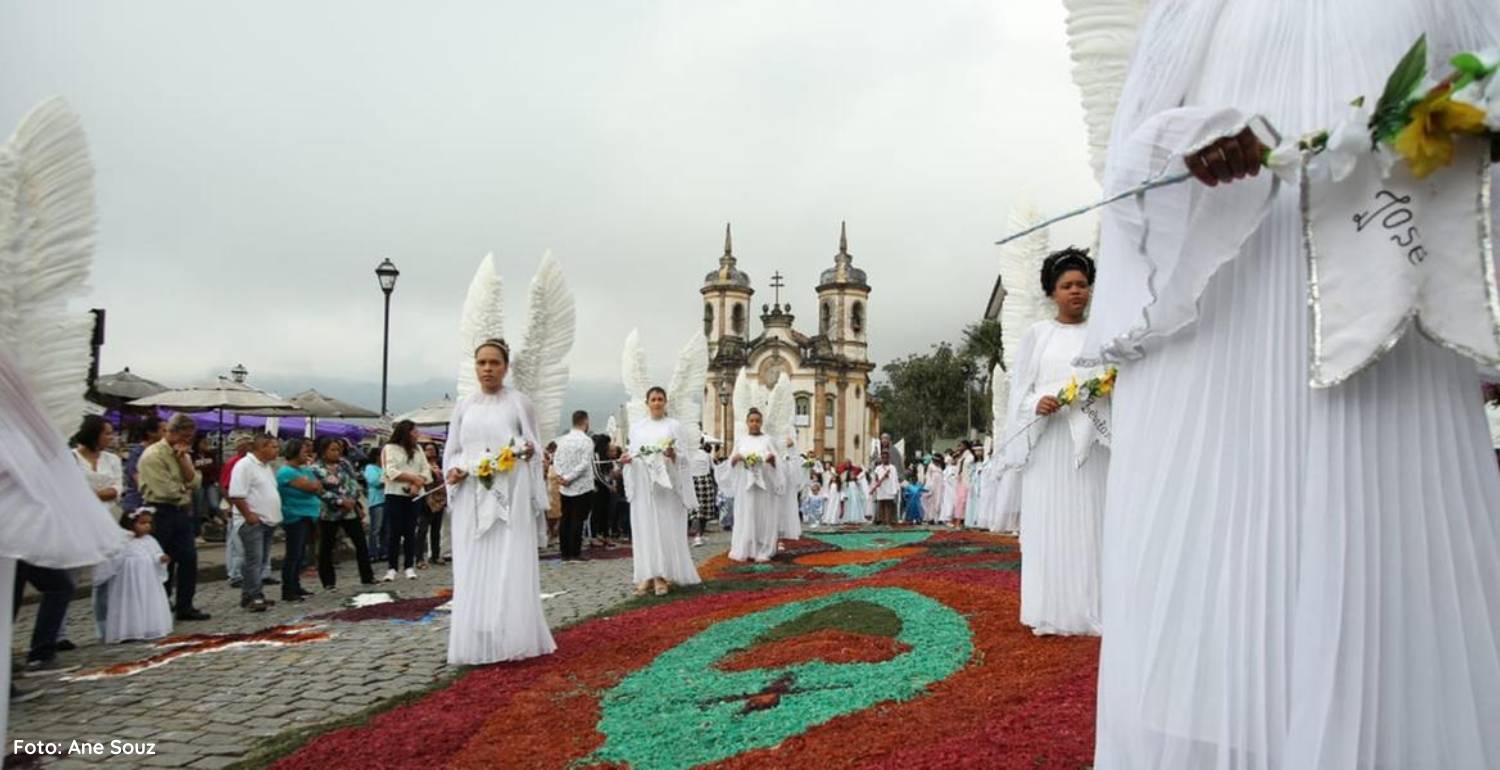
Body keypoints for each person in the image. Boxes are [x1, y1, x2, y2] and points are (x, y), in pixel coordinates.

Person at [1090, 5, 1500, 767]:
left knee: (1386, 550)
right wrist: (1193, 145)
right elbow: (1128, 171)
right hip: (1233, 314)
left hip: (1392, 315)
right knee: (1237, 561)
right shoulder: (1193, 9)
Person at [1001, 249, 1109, 637]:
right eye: (1067, 286)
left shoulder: (1103, 334)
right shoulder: (1038, 336)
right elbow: (1020, 393)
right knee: (1051, 523)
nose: (1076, 292)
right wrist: (1037, 404)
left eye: (1082, 284)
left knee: (1092, 521)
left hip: (1092, 444)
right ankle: (1050, 610)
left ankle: (1094, 606)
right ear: (1052, 292)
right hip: (1048, 445)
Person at [442, 338, 555, 664]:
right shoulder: (463, 406)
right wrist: (453, 472)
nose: (488, 369)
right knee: (472, 561)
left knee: (508, 559)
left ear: (505, 367)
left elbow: (535, 445)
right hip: (471, 499)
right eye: (482, 363)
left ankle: (512, 631)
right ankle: (478, 631)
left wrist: (529, 452)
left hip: (510, 495)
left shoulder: (519, 403)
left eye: (494, 363)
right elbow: (454, 451)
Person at [621, 387, 703, 594]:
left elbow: (684, 459)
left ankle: (662, 575)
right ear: (647, 403)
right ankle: (646, 574)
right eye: (653, 399)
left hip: (666, 488)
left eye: (660, 399)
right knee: (645, 528)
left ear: (665, 402)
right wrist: (628, 461)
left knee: (664, 528)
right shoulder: (637, 428)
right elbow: (633, 453)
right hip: (644, 486)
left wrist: (672, 455)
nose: (657, 403)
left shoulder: (674, 426)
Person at [137, 413, 208, 621]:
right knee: (163, 560)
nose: (188, 441)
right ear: (172, 432)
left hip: (181, 512)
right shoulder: (153, 455)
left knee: (188, 559)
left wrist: (184, 462)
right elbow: (164, 489)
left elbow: (195, 482)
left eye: (191, 437)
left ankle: (185, 605)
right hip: (160, 511)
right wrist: (184, 490)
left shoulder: (183, 454)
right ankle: (160, 603)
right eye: (185, 436)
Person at [91, 508, 172, 643]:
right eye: (142, 523)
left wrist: (160, 558)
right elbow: (111, 558)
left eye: (149, 523)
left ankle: (148, 626)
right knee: (129, 603)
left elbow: (155, 553)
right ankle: (129, 629)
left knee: (146, 600)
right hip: (127, 580)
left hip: (147, 579)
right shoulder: (121, 540)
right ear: (130, 524)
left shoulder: (149, 540)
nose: (147, 526)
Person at [720, 408, 785, 563]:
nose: (754, 424)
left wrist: (772, 460)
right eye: (751, 421)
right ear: (747, 423)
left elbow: (778, 462)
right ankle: (746, 547)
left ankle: (764, 547)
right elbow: (731, 462)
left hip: (764, 486)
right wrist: (735, 460)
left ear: (761, 423)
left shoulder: (768, 440)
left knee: (763, 514)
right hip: (746, 486)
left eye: (757, 421)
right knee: (746, 513)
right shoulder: (740, 440)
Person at [226, 433, 281, 612]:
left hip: (267, 521)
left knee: (261, 561)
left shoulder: (265, 467)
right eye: (274, 446)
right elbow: (236, 494)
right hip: (252, 522)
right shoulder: (245, 465)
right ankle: (252, 596)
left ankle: (254, 593)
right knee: (254, 560)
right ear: (262, 447)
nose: (277, 450)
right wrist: (249, 515)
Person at [313, 437, 375, 588]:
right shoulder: (315, 469)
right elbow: (320, 491)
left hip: (349, 511)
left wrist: (353, 500)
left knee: (360, 543)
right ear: (323, 452)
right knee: (327, 547)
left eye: (338, 450)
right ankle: (328, 581)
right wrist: (340, 501)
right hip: (329, 512)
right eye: (332, 450)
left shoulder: (344, 464)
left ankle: (367, 576)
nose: (336, 453)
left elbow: (353, 482)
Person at [381, 421, 431, 582]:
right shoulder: (389, 448)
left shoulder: (418, 449)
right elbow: (391, 471)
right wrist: (413, 478)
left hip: (414, 494)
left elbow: (426, 470)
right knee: (394, 531)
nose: (418, 434)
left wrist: (418, 483)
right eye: (415, 431)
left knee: (411, 531)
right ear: (407, 432)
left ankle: (409, 566)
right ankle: (392, 567)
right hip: (395, 493)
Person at [275, 438, 324, 601]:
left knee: (301, 553)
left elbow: (319, 487)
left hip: (309, 514)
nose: (307, 454)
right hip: (295, 515)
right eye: (303, 451)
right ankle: (288, 588)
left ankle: (296, 585)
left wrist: (315, 485)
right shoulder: (286, 472)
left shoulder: (304, 470)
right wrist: (314, 486)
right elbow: (311, 487)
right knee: (294, 553)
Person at [553, 411, 596, 561]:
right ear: (586, 422)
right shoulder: (587, 441)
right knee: (578, 519)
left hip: (565, 486)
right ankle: (575, 552)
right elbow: (584, 463)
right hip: (581, 485)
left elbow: (556, 459)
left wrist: (561, 476)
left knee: (566, 518)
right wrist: (570, 477)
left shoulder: (562, 440)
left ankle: (565, 552)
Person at [120, 416, 163, 513]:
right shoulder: (137, 453)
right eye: (163, 430)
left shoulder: (162, 452)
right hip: (137, 505)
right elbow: (139, 481)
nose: (167, 434)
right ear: (151, 433)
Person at [416, 442, 447, 567]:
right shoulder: (421, 465)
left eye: (433, 449)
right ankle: (419, 557)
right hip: (426, 500)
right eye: (427, 449)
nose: (431, 451)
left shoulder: (440, 463)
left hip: (439, 499)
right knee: (422, 530)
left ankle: (435, 555)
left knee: (436, 529)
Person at [589, 434, 616, 549]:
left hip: (607, 488)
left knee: (606, 512)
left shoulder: (607, 456)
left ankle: (606, 535)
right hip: (597, 487)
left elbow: (610, 471)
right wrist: (607, 485)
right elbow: (597, 473)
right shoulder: (595, 456)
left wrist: (612, 482)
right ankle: (594, 536)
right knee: (596, 512)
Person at [689, 441, 718, 547]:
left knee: (695, 511)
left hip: (692, 481)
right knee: (703, 511)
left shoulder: (688, 454)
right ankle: (698, 535)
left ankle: (698, 536)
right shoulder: (706, 455)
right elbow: (714, 468)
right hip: (705, 481)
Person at [362, 449, 387, 563]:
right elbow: (375, 482)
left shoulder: (384, 468)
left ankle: (384, 551)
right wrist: (387, 479)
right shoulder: (370, 468)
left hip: (387, 499)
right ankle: (372, 552)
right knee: (376, 528)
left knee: (386, 529)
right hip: (377, 500)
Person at [870, 452, 899, 526]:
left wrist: (896, 489)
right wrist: (878, 481)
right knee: (881, 505)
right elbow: (876, 478)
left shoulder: (892, 467)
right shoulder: (878, 468)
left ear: (889, 458)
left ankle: (888, 522)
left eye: (886, 457)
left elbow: (895, 479)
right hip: (881, 489)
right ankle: (883, 521)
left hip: (889, 489)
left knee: (888, 505)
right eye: (883, 457)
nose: (884, 459)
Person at [923, 455, 945, 524]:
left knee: (938, 501)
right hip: (932, 486)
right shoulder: (931, 466)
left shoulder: (940, 467)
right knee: (931, 502)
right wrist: (929, 486)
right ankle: (930, 518)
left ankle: (937, 518)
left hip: (939, 487)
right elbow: (928, 476)